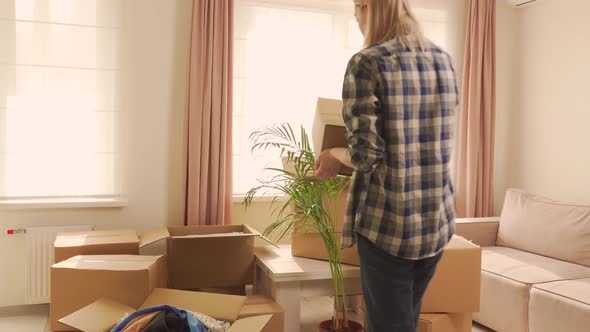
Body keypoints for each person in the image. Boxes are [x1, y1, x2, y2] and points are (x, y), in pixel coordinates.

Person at [314, 0, 460, 331]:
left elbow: (366, 156)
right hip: (435, 224)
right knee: (405, 320)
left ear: (367, 7)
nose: (360, 23)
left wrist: (334, 154)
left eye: (357, 15)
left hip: (389, 226)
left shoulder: (367, 63)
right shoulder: (442, 59)